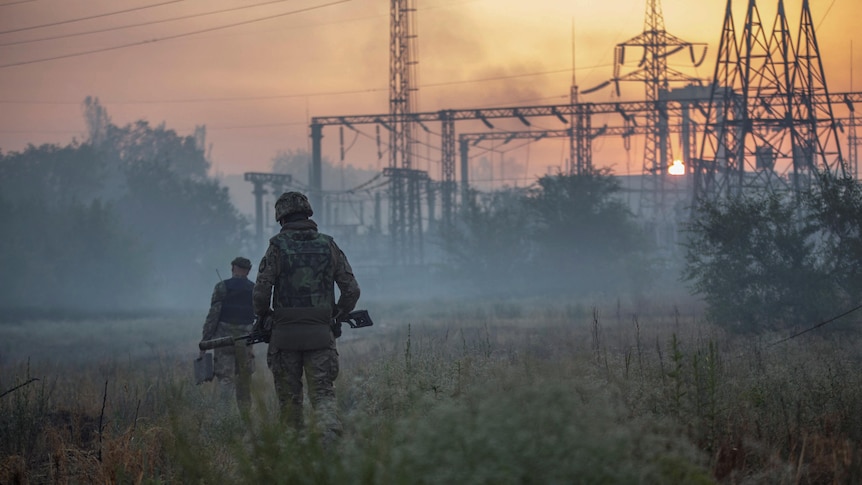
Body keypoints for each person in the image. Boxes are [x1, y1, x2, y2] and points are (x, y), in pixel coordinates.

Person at [252, 191, 360, 447]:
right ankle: (330, 455)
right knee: (323, 399)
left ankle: (294, 459)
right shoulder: (328, 245)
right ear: (308, 213)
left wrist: (265, 317)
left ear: (281, 218)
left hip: (284, 339)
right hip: (321, 338)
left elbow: (260, 294)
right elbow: (352, 290)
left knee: (290, 405)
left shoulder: (277, 247)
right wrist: (337, 315)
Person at [200, 257, 256, 412]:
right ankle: (245, 420)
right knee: (244, 381)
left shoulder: (222, 287)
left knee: (226, 380)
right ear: (248, 271)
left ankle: (224, 419)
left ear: (233, 268)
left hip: (224, 341)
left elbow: (213, 316)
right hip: (245, 341)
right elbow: (259, 315)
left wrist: (205, 341)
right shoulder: (254, 289)